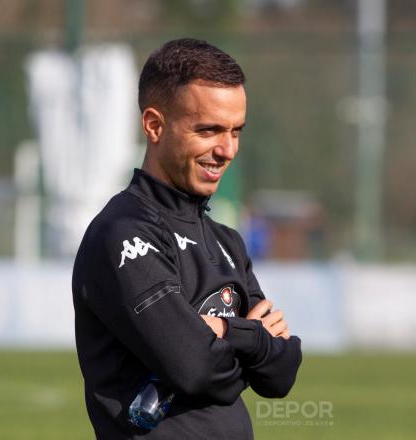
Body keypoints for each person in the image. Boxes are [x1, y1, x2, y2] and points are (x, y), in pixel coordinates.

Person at [72, 38, 302, 439]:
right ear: (155, 125)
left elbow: (281, 375)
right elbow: (195, 367)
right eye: (209, 130)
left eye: (235, 131)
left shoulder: (226, 242)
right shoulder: (124, 234)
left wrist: (227, 333)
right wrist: (252, 336)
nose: (226, 149)